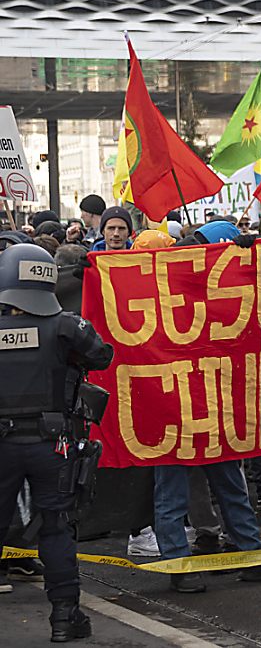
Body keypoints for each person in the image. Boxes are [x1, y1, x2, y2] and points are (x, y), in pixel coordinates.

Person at [0, 243, 113, 642]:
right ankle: (65, 618)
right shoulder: (65, 326)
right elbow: (102, 356)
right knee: (56, 529)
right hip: (53, 444)